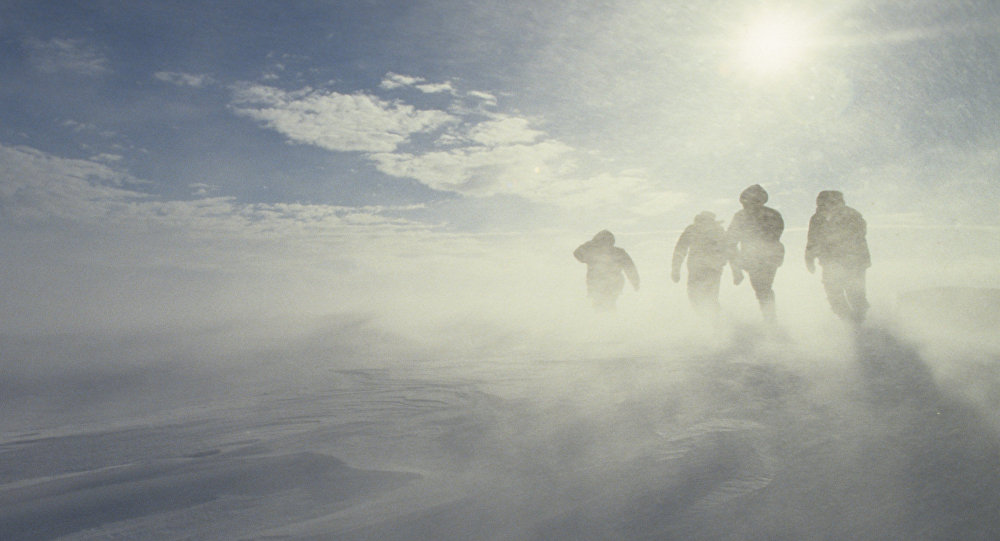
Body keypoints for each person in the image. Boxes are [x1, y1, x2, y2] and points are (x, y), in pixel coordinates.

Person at [805, 190, 871, 323]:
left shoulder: (852, 215)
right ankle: (848, 321)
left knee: (855, 294)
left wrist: (842, 250)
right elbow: (812, 239)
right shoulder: (817, 218)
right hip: (830, 262)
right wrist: (809, 258)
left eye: (829, 203)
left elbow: (858, 236)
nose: (825, 206)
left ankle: (860, 322)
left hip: (853, 261)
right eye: (822, 203)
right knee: (834, 294)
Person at [727, 184, 784, 321]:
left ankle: (770, 320)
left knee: (762, 288)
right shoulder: (743, 216)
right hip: (756, 257)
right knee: (762, 289)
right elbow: (731, 242)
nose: (747, 205)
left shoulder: (770, 215)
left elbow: (774, 237)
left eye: (752, 201)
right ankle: (770, 319)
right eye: (746, 202)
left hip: (765, 257)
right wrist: (736, 270)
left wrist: (737, 269)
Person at [671, 211, 738, 316]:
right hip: (698, 270)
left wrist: (736, 271)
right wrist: (675, 269)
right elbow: (680, 250)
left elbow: (730, 250)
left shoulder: (717, 231)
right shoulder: (692, 230)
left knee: (707, 297)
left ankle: (718, 322)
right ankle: (714, 320)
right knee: (696, 297)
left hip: (712, 269)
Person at [573, 230, 640, 311]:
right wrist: (635, 283)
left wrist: (590, 243)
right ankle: (608, 321)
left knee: (603, 304)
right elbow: (630, 268)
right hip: (604, 284)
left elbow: (630, 268)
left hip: (604, 284)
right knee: (605, 304)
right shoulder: (617, 252)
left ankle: (606, 321)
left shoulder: (591, 252)